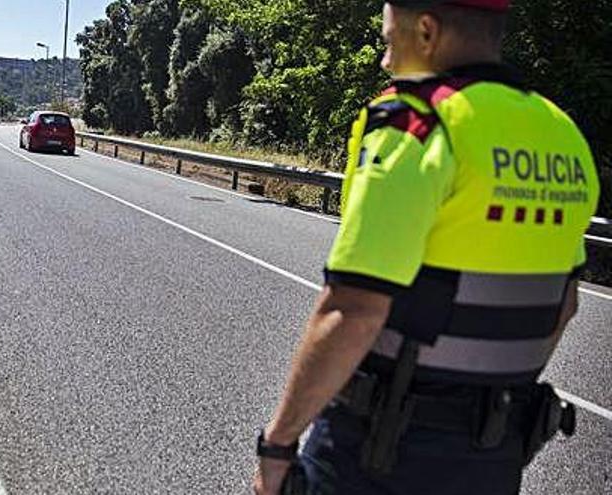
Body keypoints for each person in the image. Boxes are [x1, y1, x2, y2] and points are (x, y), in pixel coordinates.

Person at [253, 1, 600, 494]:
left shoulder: (417, 124)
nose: (384, 61)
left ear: (427, 31)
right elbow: (564, 306)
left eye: (387, 41)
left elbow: (354, 310)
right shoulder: (563, 137)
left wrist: (278, 445)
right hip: (493, 458)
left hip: (377, 452)